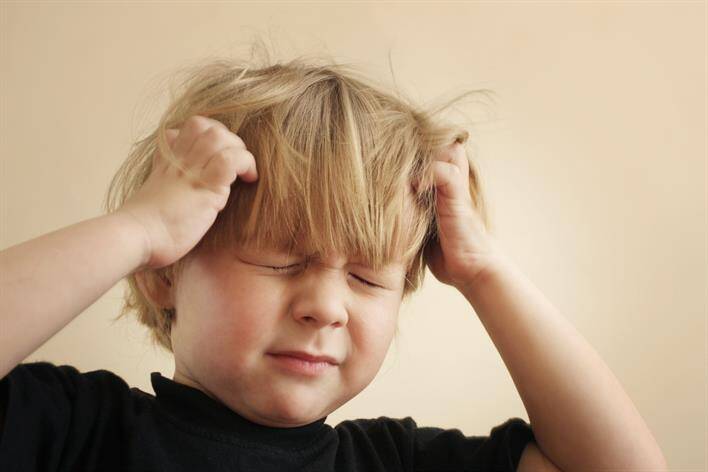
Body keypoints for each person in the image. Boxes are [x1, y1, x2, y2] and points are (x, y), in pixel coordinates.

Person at [0, 45, 666, 471]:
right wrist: (137, 228)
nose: (324, 307)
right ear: (164, 274)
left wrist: (482, 269)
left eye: (367, 276)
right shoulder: (70, 431)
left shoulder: (396, 462)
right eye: (282, 263)